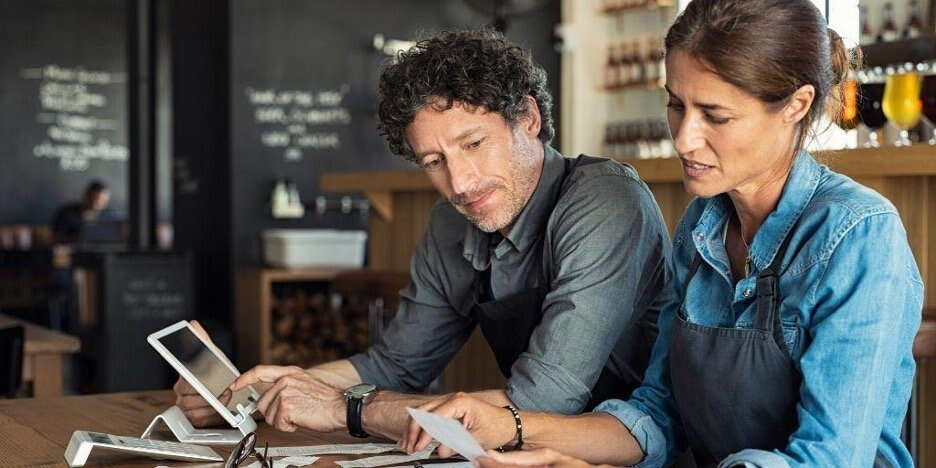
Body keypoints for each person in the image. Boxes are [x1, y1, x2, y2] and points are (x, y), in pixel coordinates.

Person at [401, 1, 923, 467]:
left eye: (715, 115)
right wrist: (513, 428)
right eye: (676, 105)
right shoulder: (702, 226)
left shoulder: (858, 235)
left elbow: (830, 458)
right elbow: (657, 415)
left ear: (796, 105)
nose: (684, 138)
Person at [174, 29, 673, 441]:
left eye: (473, 144)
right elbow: (397, 364)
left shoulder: (605, 201)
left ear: (528, 118)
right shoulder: (451, 221)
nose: (460, 183)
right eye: (434, 161)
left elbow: (543, 400)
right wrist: (259, 392)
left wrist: (347, 409)